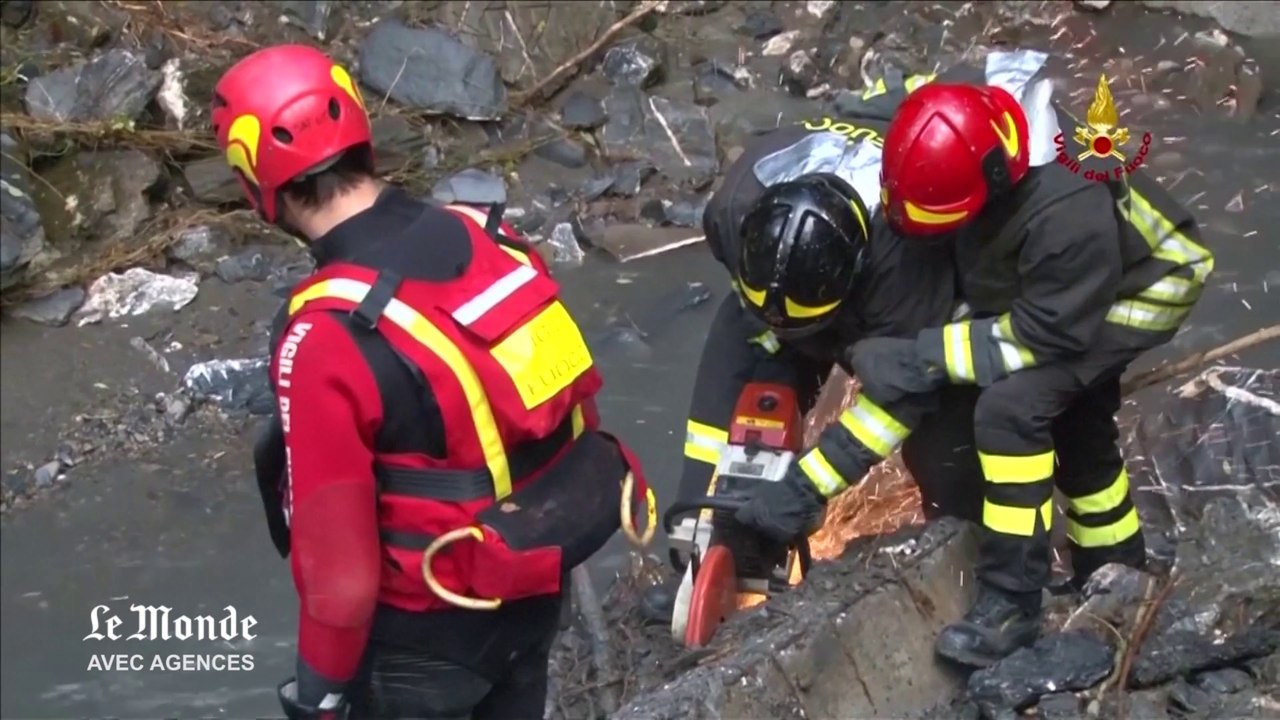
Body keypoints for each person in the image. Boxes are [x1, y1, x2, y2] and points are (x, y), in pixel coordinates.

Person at [220, 45, 653, 719]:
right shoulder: (492, 237)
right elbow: (568, 409)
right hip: (535, 588)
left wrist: (322, 695)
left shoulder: (324, 335)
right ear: (362, 133)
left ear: (256, 184)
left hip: (428, 635)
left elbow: (339, 577)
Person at [845, 75, 1213, 666]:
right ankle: (1117, 574)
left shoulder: (1067, 210)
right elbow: (908, 100)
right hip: (1073, 285)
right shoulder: (964, 115)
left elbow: (1043, 335)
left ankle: (1014, 599)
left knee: (1013, 408)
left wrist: (920, 356)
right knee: (1078, 420)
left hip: (1139, 290)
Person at [641, 70, 993, 619]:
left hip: (883, 301)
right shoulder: (735, 209)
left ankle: (972, 569)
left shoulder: (907, 269)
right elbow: (760, 322)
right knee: (729, 408)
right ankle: (703, 559)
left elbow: (897, 401)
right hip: (780, 296)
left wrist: (804, 489)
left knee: (945, 452)